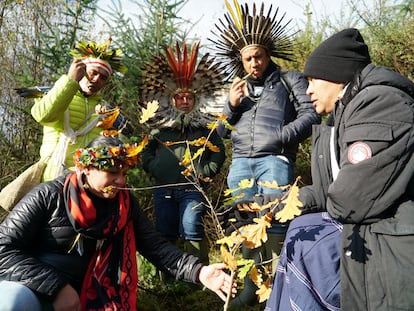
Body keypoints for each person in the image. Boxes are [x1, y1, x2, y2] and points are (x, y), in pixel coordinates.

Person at [265, 28, 414, 311]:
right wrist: (273, 205)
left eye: (312, 80)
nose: (307, 89)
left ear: (337, 74)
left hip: (392, 240)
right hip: (371, 233)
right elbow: (326, 191)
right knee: (299, 228)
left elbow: (350, 199)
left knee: (306, 240)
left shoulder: (380, 104)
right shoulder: (339, 118)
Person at [0, 135, 235, 311]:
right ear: (86, 168)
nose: (120, 181)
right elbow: (4, 249)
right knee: (12, 301)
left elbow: (156, 248)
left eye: (124, 172)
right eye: (112, 172)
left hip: (93, 295)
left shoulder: (124, 204)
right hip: (33, 287)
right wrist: (58, 288)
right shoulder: (48, 196)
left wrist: (200, 271)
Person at [209, 1, 320, 307]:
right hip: (241, 163)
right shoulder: (237, 88)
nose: (253, 63)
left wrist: (279, 138)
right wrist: (230, 105)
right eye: (247, 59)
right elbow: (218, 132)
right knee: (243, 222)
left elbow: (311, 116)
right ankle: (249, 286)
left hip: (275, 162)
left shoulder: (289, 80)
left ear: (268, 54)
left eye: (258, 56)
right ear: (241, 61)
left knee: (275, 221)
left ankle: (278, 286)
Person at [140, 42, 226, 268]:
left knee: (191, 225)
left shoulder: (205, 127)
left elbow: (219, 152)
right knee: (165, 230)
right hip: (163, 188)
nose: (185, 101)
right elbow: (146, 150)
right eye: (180, 97)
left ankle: (200, 275)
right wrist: (153, 166)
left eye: (189, 97)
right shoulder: (160, 127)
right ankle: (170, 275)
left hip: (193, 188)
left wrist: (206, 171)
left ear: (195, 100)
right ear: (172, 100)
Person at [30, 39, 130, 182]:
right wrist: (70, 81)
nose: (96, 79)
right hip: (55, 178)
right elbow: (43, 116)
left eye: (103, 77)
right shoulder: (54, 93)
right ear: (82, 70)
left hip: (89, 182)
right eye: (93, 72)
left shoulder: (106, 111)